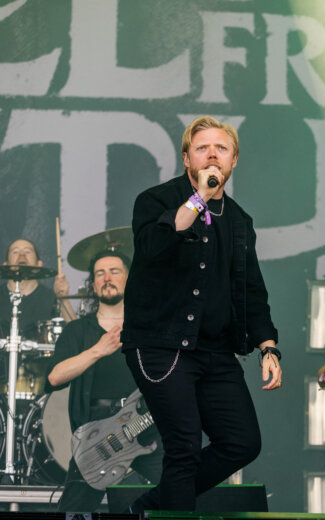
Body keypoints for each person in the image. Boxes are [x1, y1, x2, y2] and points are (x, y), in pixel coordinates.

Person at [120, 116, 282, 512]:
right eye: (203, 148)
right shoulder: (155, 200)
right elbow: (154, 248)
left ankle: (151, 505)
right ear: (187, 158)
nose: (212, 154)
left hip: (214, 350)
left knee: (242, 442)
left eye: (221, 148)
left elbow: (251, 289)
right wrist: (200, 199)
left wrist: (268, 347)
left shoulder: (240, 221)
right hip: (161, 345)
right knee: (185, 446)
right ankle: (165, 507)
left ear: (234, 160)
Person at [46, 251, 162, 512]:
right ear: (93, 284)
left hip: (147, 427)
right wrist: (98, 349)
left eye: (115, 272)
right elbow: (54, 377)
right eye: (100, 274)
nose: (107, 278)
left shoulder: (150, 327)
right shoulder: (77, 331)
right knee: (74, 511)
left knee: (177, 497)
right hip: (97, 438)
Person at [1, 238, 76, 339]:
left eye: (28, 251)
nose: (22, 255)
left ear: (39, 264)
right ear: (5, 265)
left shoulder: (50, 298)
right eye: (15, 252)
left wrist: (63, 299)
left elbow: (75, 334)